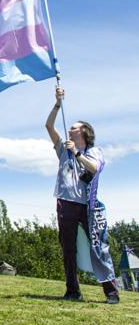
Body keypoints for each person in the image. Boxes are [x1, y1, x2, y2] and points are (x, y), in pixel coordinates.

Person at [46, 86, 120, 304]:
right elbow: (48, 125)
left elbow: (94, 168)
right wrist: (58, 103)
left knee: (99, 246)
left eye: (74, 128)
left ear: (84, 133)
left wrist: (77, 153)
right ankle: (72, 290)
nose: (70, 129)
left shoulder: (93, 151)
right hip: (65, 203)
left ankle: (111, 291)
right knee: (68, 248)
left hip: (88, 205)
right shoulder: (62, 149)